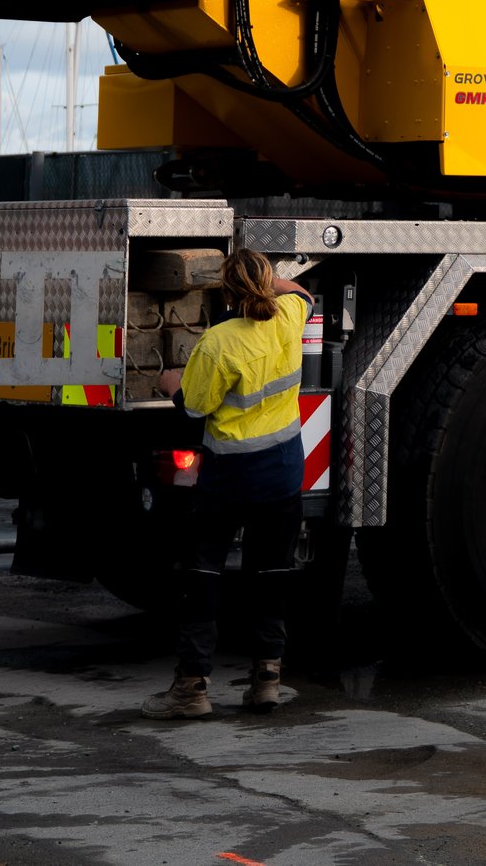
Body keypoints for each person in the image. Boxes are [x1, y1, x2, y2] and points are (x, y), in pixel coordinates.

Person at [142, 247, 308, 719]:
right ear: (266, 282)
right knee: (272, 574)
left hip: (230, 476)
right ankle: (267, 681)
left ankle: (192, 688)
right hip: (281, 473)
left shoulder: (217, 343)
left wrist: (171, 384)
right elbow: (302, 294)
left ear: (226, 292)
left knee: (204, 575)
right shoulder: (290, 318)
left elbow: (195, 408)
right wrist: (270, 281)